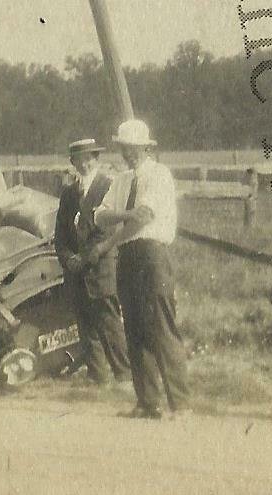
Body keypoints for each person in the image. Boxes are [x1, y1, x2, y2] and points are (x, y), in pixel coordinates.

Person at [91, 119, 190, 420]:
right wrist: (123, 215)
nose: (129, 154)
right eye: (125, 148)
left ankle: (181, 404)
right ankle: (148, 402)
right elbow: (99, 216)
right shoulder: (120, 180)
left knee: (161, 327)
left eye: (135, 149)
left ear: (147, 148)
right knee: (134, 328)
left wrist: (107, 242)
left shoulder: (159, 175)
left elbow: (142, 218)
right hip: (129, 256)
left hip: (153, 255)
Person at [54, 139, 130, 385]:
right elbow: (60, 235)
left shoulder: (108, 187)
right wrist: (68, 259)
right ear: (73, 163)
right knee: (86, 329)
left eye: (89, 159)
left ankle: (124, 376)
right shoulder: (68, 194)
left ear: (96, 160)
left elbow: (107, 231)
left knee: (109, 325)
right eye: (79, 159)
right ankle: (99, 378)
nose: (85, 164)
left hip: (100, 268)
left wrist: (83, 259)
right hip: (75, 273)